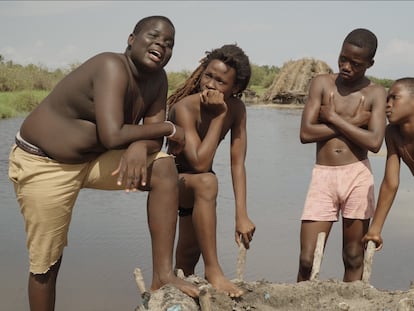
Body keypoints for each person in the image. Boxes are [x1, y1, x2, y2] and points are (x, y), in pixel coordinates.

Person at [8, 15, 200, 311]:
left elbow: (147, 141)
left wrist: (140, 145)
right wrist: (167, 128)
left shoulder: (158, 80)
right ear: (131, 39)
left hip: (93, 158)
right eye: (153, 36)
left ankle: (163, 275)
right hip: (44, 162)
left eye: (169, 43)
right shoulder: (111, 66)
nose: (161, 44)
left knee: (163, 168)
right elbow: (114, 134)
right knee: (47, 264)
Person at [297, 28, 387, 282]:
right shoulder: (322, 83)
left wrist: (333, 117)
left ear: (369, 64)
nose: (346, 66)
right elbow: (305, 132)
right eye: (342, 59)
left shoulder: (375, 93)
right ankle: (301, 303)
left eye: (356, 64)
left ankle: (351, 302)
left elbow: (375, 142)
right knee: (307, 258)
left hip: (357, 175)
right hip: (323, 176)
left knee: (353, 255)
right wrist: (354, 122)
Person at [166, 44, 256, 297]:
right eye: (208, 76)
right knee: (207, 180)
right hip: (172, 182)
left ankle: (178, 296)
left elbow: (237, 162)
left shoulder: (237, 109)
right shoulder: (185, 108)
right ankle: (214, 271)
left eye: (221, 81)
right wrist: (218, 117)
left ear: (235, 88)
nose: (211, 85)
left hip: (195, 192)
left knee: (187, 255)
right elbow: (199, 163)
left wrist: (242, 215)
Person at [362, 78, 414, 250]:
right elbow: (391, 183)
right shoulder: (392, 133)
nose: (387, 105)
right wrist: (375, 229)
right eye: (386, 99)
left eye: (394, 98)